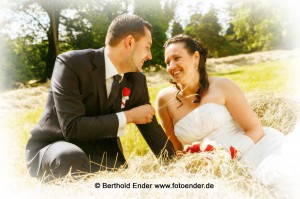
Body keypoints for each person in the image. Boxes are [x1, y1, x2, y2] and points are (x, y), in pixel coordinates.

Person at [25, 14, 175, 181]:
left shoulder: (136, 79)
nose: (150, 56)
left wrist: (176, 165)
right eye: (147, 47)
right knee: (70, 158)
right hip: (56, 147)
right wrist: (129, 116)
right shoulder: (71, 64)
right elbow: (72, 128)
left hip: (103, 155)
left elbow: (149, 125)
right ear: (130, 42)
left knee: (120, 179)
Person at [156, 34, 300, 197]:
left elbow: (255, 130)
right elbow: (176, 151)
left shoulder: (223, 86)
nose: (172, 66)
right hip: (215, 172)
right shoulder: (164, 100)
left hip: (257, 149)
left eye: (177, 58)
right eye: (168, 62)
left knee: (282, 180)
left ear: (195, 57)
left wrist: (227, 157)